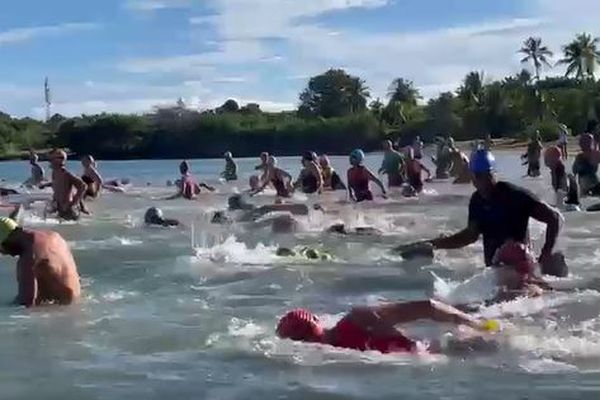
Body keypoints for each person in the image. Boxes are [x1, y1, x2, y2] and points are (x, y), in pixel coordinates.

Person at [404, 150, 561, 268]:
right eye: (477, 176)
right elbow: (470, 236)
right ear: (471, 176)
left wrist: (546, 254)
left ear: (493, 173)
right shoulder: (477, 201)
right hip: (494, 269)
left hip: (520, 266)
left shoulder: (515, 196)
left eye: (486, 176)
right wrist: (432, 244)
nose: (481, 181)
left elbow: (554, 218)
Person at [276, 299, 498, 354]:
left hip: (453, 347)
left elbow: (427, 307)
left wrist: (476, 325)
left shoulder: (356, 319)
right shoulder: (336, 352)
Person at [0, 217, 81, 307]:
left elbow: (26, 302)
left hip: (60, 313)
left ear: (5, 241)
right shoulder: (54, 236)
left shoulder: (30, 256)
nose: (3, 253)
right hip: (78, 305)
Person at [41, 149, 88, 221]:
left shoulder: (66, 174)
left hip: (69, 209)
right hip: (60, 207)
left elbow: (83, 186)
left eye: (51, 159)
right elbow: (59, 187)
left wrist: (73, 203)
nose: (50, 162)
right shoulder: (55, 173)